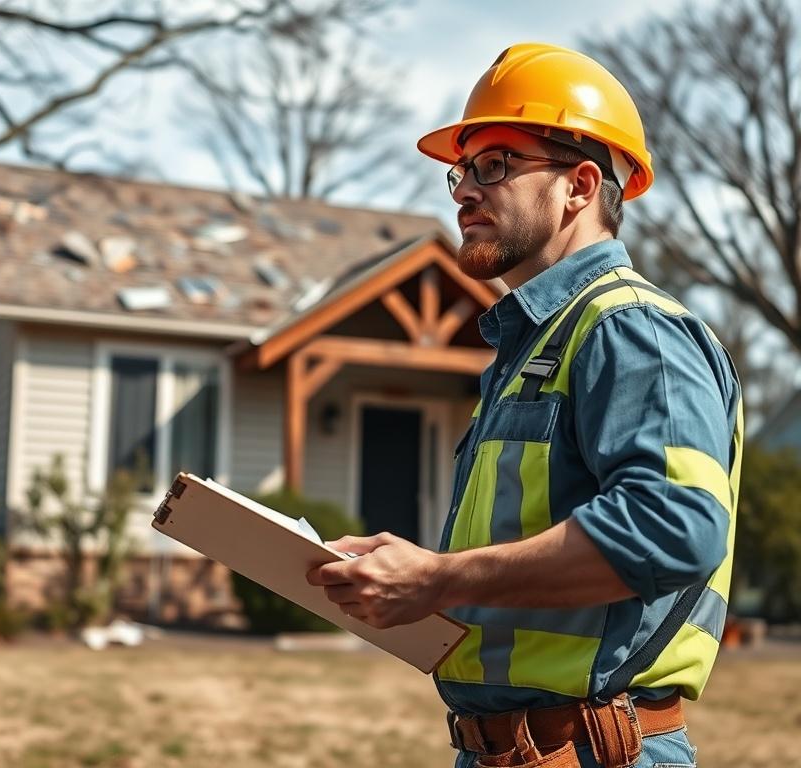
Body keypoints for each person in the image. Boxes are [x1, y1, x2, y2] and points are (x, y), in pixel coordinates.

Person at [306, 42, 742, 768]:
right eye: (461, 170)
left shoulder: (631, 329)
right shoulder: (534, 347)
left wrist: (438, 578)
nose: (463, 191)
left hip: (597, 752)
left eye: (496, 164)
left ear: (579, 185)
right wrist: (402, 573)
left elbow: (674, 526)